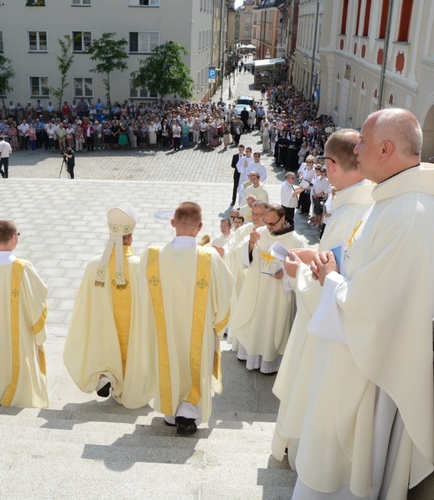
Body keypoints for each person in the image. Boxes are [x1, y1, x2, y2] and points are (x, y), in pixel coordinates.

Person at [297, 109, 434, 498]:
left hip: (367, 372)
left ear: (385, 148)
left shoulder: (407, 213)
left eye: (362, 142)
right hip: (354, 358)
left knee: (344, 475)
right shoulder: (393, 201)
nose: (356, 148)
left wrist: (331, 279)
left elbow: (372, 310)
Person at [270, 128, 374, 467]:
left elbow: (327, 286)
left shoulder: (349, 214)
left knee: (309, 394)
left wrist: (296, 272)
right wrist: (310, 253)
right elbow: (333, 261)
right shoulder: (363, 204)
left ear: (330, 165)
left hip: (330, 334)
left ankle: (302, 455)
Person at [137, 201, 233, 435]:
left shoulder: (151, 256)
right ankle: (188, 413)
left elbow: (141, 297)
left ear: (172, 223)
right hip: (199, 332)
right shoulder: (209, 257)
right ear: (200, 227)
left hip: (164, 330)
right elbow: (227, 290)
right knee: (195, 365)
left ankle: (170, 412)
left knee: (169, 361)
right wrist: (218, 323)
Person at [64, 203, 150, 408]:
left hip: (104, 325)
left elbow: (83, 303)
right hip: (132, 328)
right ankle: (128, 383)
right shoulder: (140, 266)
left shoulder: (94, 265)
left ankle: (107, 374)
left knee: (105, 341)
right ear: (130, 237)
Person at [0, 220, 50, 409]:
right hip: (19, 327)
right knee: (21, 360)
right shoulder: (22, 268)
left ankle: (2, 389)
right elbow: (38, 297)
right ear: (14, 238)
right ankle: (20, 397)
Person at [227, 204, 307, 374]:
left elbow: (303, 269)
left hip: (279, 294)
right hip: (257, 288)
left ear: (283, 219)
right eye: (266, 222)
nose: (268, 227)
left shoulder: (297, 240)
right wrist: (250, 244)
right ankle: (250, 356)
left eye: (272, 224)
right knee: (255, 321)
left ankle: (270, 363)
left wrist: (285, 273)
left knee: (274, 324)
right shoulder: (260, 233)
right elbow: (242, 256)